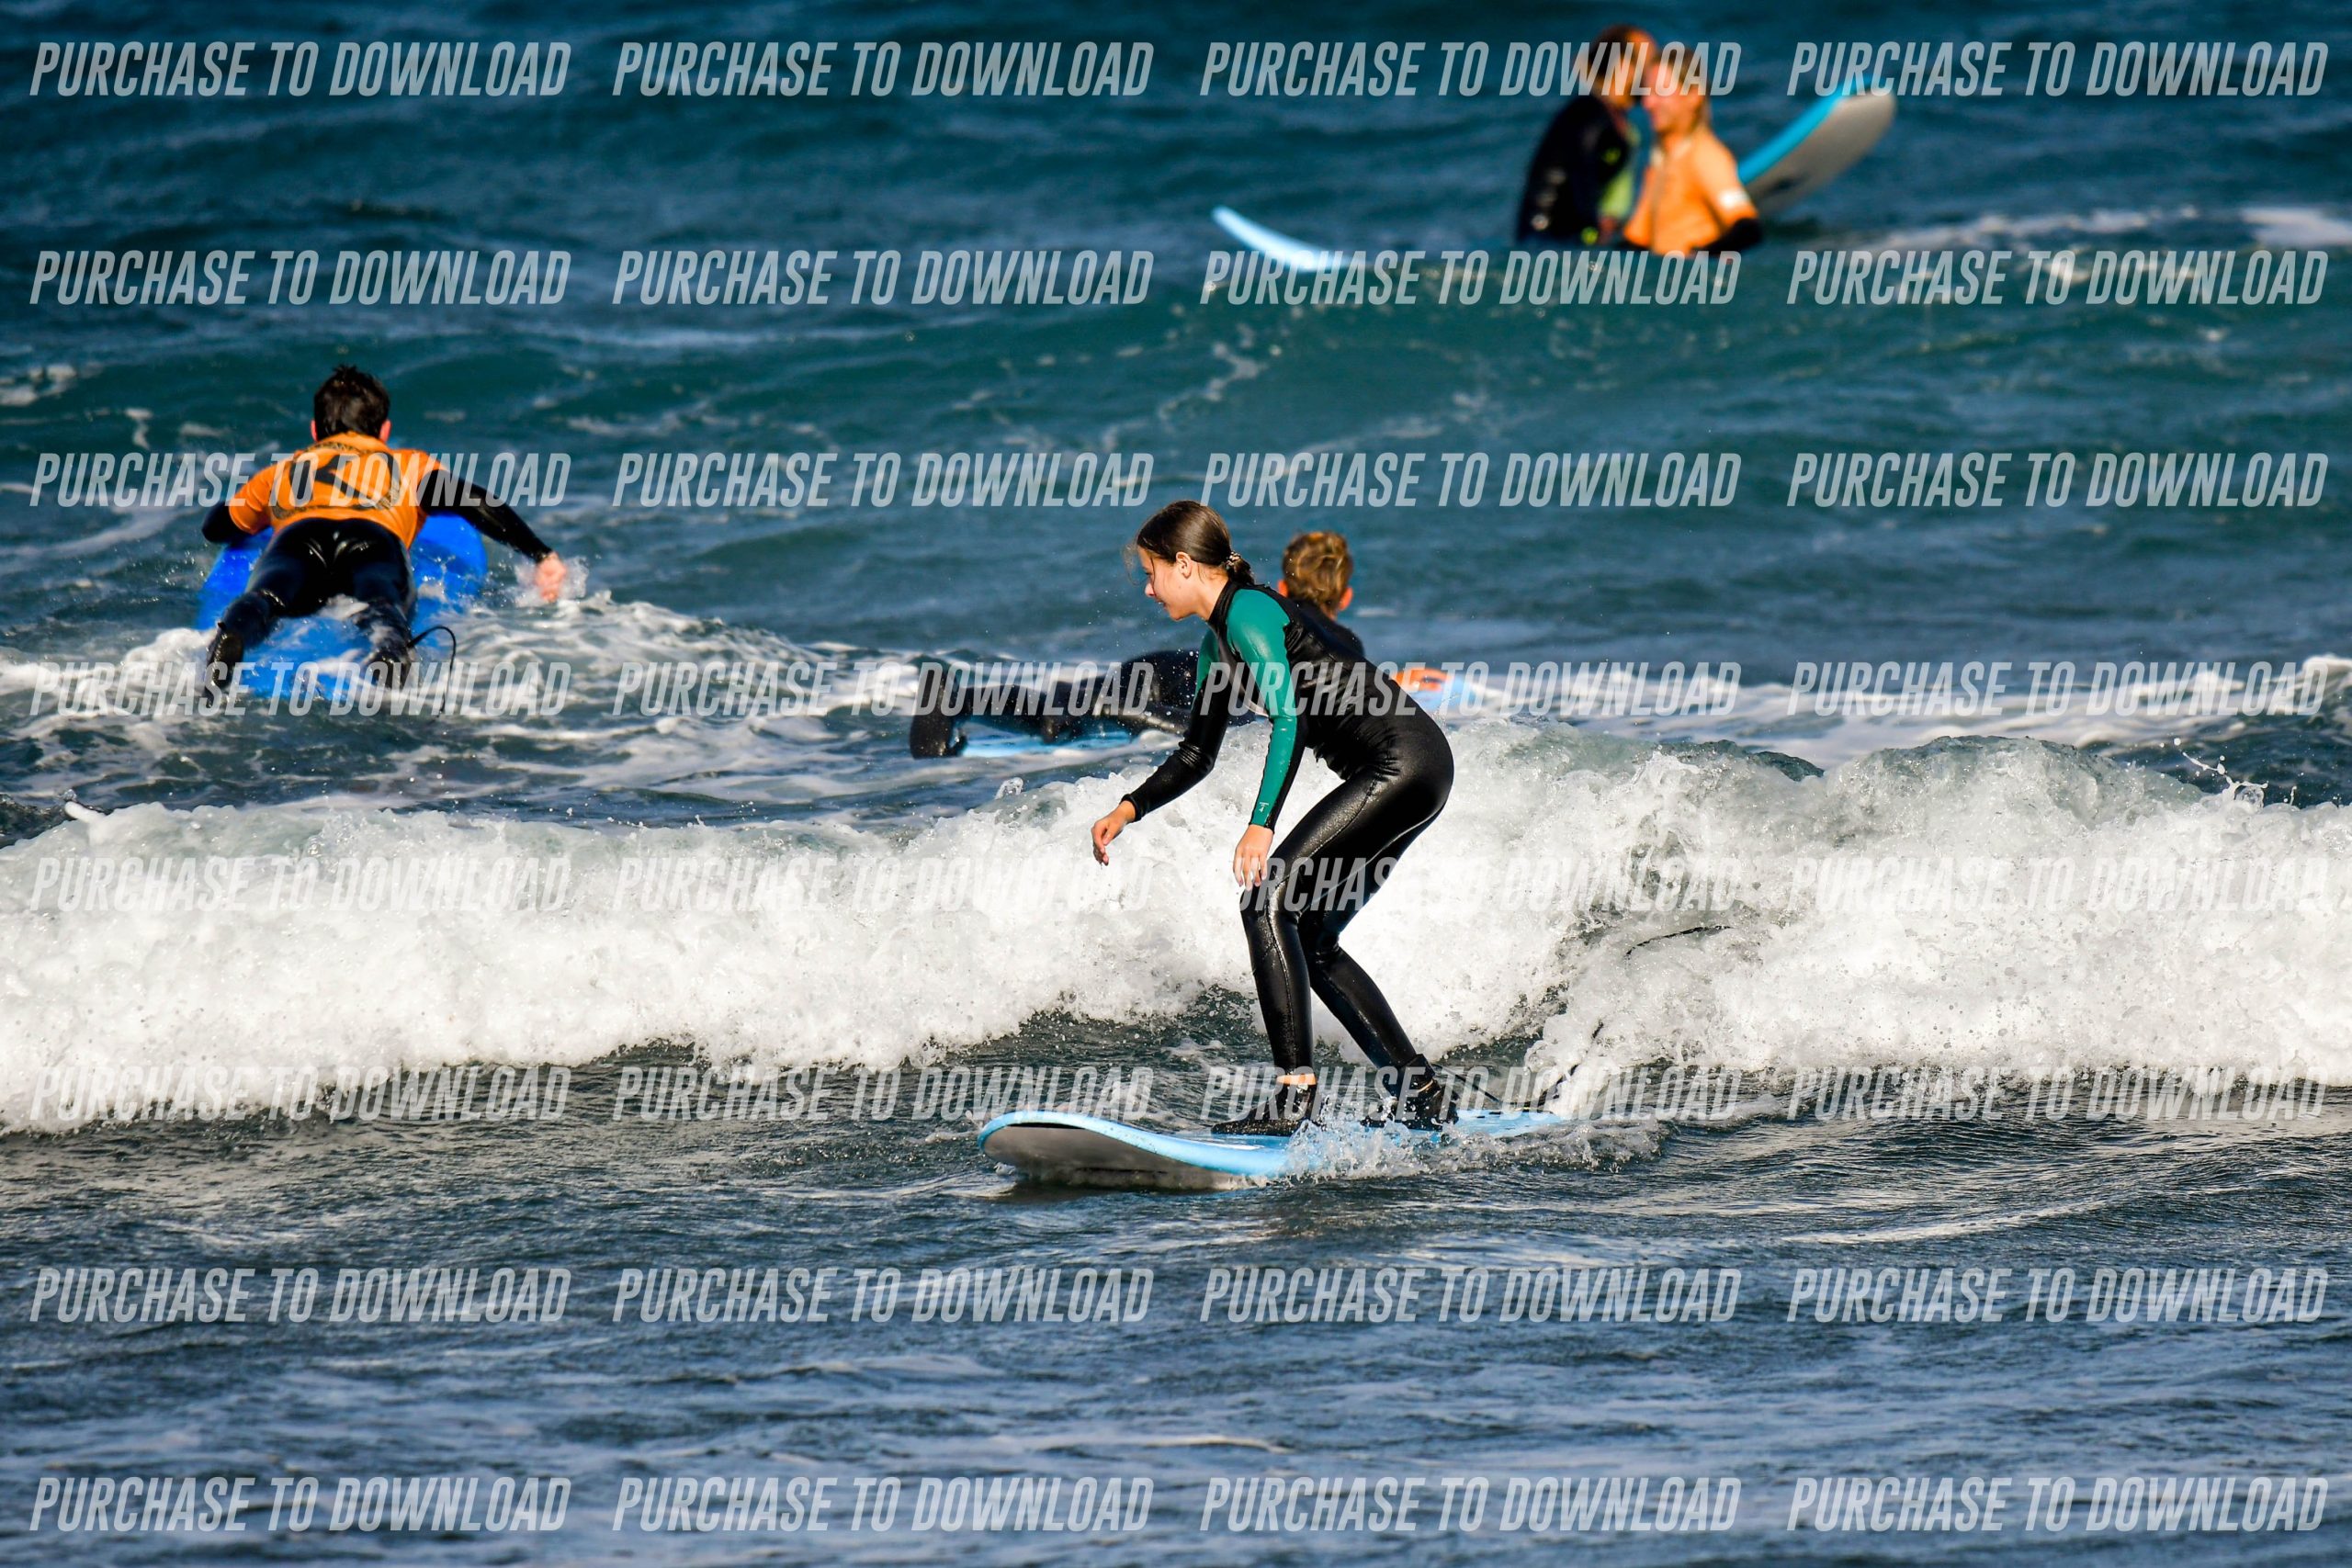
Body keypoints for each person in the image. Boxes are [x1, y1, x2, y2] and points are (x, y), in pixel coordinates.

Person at [1089, 502, 1457, 1135]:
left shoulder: (1250, 612)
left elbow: (1290, 717)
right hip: (1417, 769)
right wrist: (1130, 807)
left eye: (1152, 572)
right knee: (1311, 939)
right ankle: (1419, 1091)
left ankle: (1294, 1093)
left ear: (1185, 564)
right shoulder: (1217, 644)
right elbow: (1197, 753)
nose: (1148, 589)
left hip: (1401, 764)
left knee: (1266, 901)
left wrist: (1261, 823)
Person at [200, 366, 566, 690]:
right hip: (373, 539)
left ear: (314, 431)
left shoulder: (284, 471)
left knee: (266, 598)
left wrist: (249, 506)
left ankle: (233, 636)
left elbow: (217, 528)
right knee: (382, 604)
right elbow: (473, 501)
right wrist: (541, 555)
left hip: (299, 536)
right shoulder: (407, 464)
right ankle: (388, 652)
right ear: (384, 431)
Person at [910, 527, 1411, 758]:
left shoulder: (1268, 606)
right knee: (1066, 722)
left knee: (1069, 702)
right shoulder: (1341, 639)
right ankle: (957, 701)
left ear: (1283, 585)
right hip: (1185, 698)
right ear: (1345, 597)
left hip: (1173, 666)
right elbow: (1335, 691)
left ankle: (957, 698)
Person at [1513, 25, 1656, 246]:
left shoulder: (1613, 117)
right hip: (1548, 238)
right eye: (1650, 62)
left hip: (1562, 237)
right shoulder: (1588, 113)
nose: (1657, 71)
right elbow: (1582, 179)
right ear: (1623, 66)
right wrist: (1594, 233)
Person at [1622, 58, 1761, 256]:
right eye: (1646, 92)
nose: (1648, 103)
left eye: (1660, 92)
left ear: (1694, 96)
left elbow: (1747, 228)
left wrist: (1702, 257)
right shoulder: (1661, 161)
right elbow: (1636, 240)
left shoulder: (1705, 155)